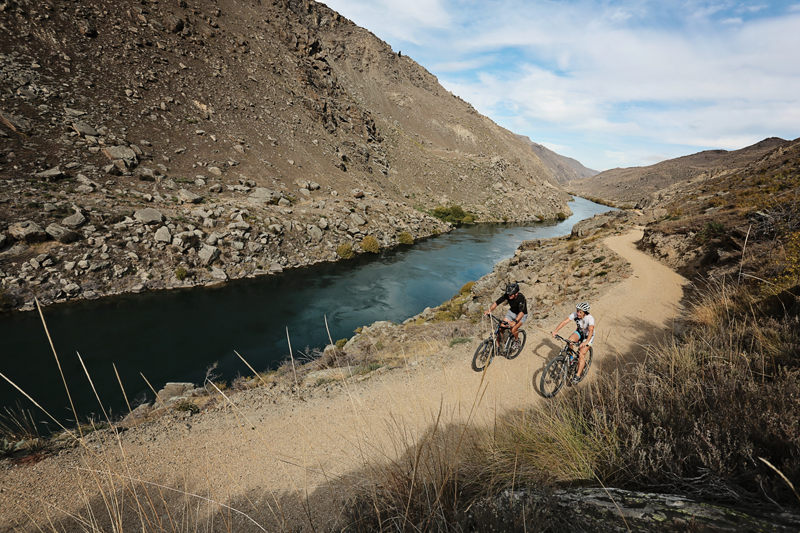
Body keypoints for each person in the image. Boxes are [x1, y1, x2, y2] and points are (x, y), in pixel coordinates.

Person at [551, 302, 594, 384]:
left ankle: (577, 375)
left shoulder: (590, 318)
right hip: (579, 332)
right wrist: (556, 331)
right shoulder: (575, 314)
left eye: (580, 312)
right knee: (569, 342)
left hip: (588, 336)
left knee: (581, 354)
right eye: (577, 311)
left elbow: (591, 330)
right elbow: (564, 322)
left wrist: (586, 342)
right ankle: (571, 360)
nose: (578, 313)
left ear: (585, 313)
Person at [484, 282, 528, 349]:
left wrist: (515, 321)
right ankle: (498, 346)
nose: (509, 296)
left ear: (516, 293)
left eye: (511, 295)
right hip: (511, 313)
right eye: (508, 294)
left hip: (521, 315)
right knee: (500, 328)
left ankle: (516, 341)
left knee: (513, 329)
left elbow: (521, 312)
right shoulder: (508, 295)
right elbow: (497, 302)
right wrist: (489, 310)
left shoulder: (521, 298)